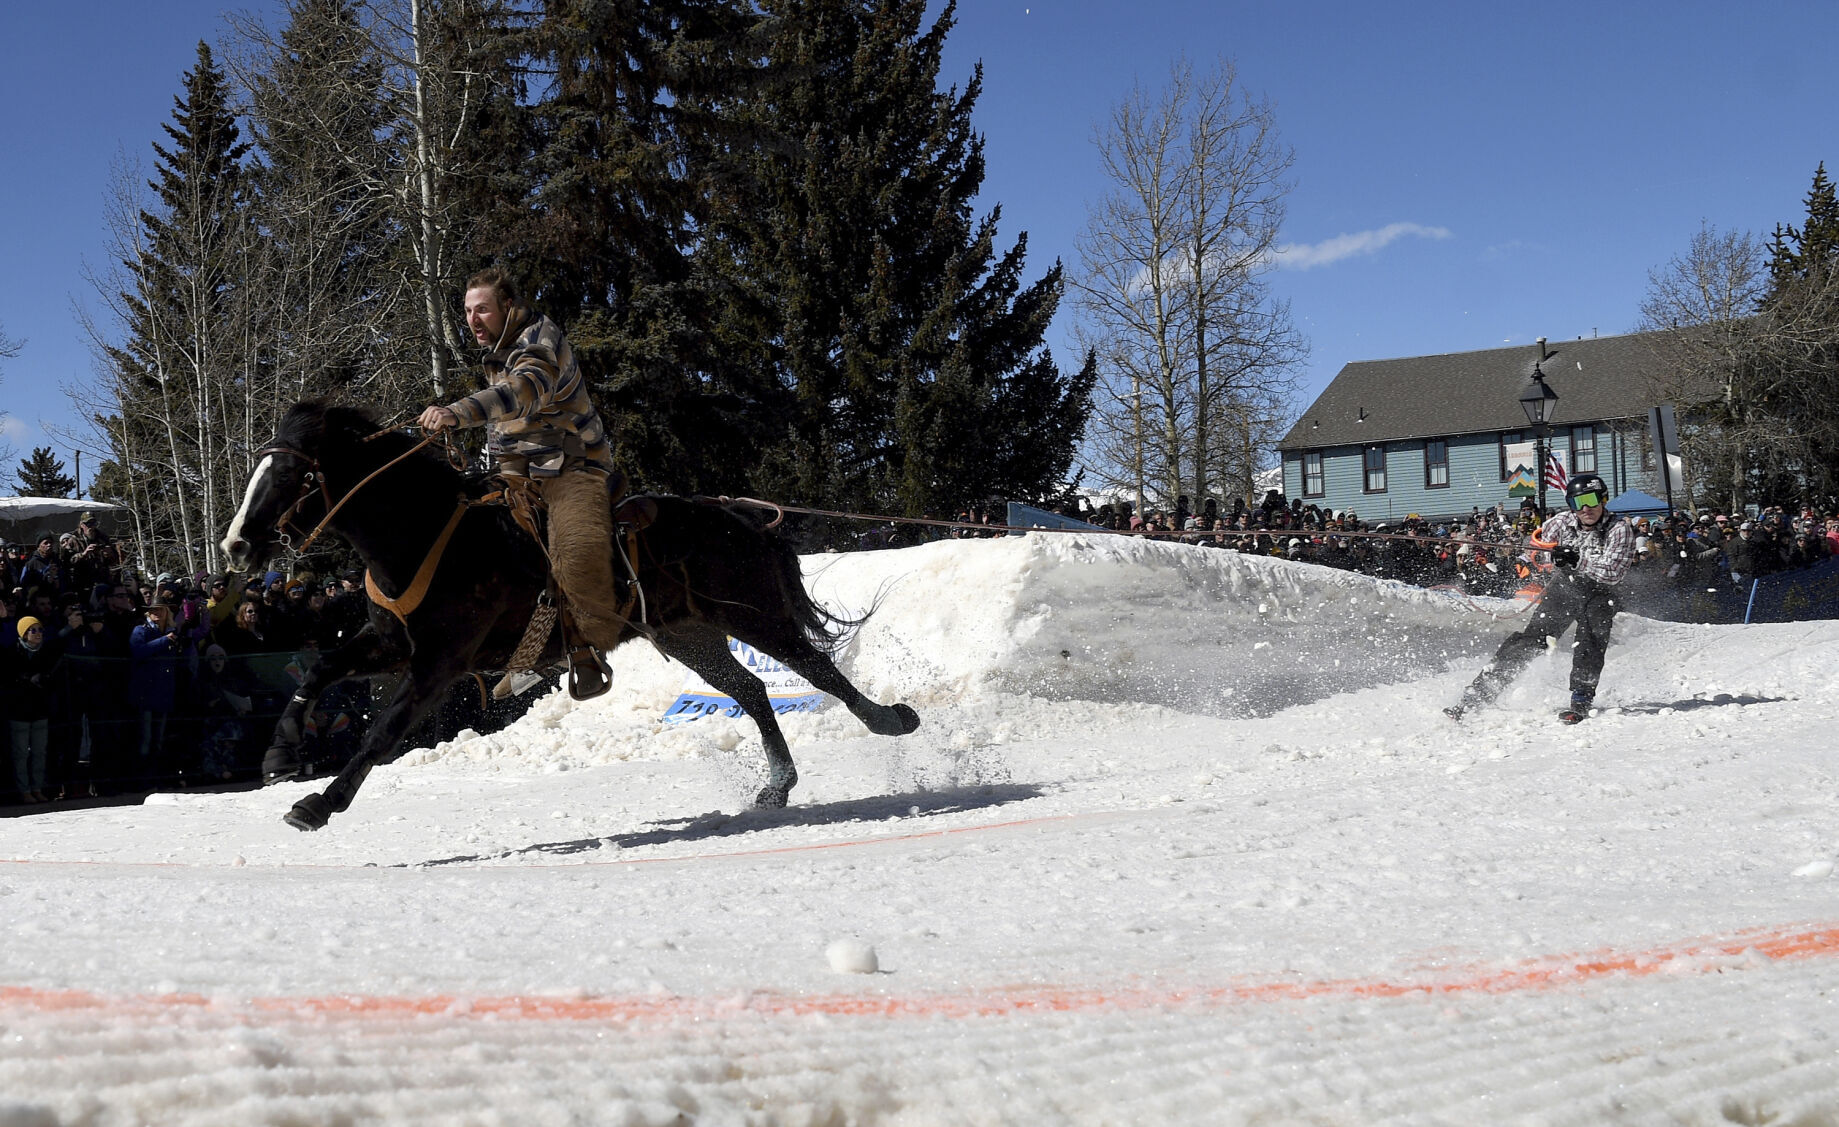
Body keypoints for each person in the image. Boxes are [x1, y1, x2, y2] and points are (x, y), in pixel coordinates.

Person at [417, 266, 624, 699]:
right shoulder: (496, 351)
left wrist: (457, 412)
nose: (473, 320)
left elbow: (524, 391)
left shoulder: (538, 340)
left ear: (508, 306)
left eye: (483, 310)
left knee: (573, 547)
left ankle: (586, 649)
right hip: (521, 469)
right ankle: (520, 650)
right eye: (468, 311)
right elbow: (505, 426)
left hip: (574, 464)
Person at [1445, 474, 1637, 724]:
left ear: (1603, 500)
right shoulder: (1562, 521)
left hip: (1601, 592)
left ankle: (1580, 700)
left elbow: (1614, 572)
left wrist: (1578, 560)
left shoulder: (1619, 529)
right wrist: (1548, 558)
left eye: (1591, 500)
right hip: (1566, 587)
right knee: (1532, 640)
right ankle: (1475, 698)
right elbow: (1537, 550)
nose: (1586, 508)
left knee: (1589, 641)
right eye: (1578, 503)